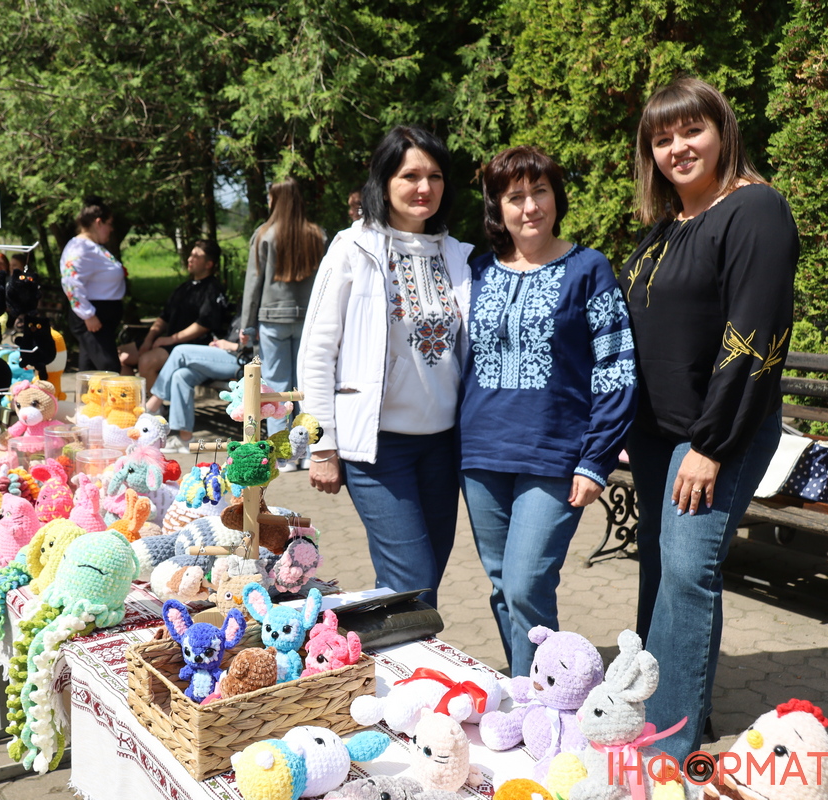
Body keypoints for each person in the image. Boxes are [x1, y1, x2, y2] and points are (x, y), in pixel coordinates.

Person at [619, 77, 798, 759]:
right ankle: (657, 707)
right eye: (662, 138)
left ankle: (664, 747)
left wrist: (711, 445)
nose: (678, 147)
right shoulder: (669, 226)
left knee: (688, 572)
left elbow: (754, 335)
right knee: (662, 572)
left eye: (691, 130)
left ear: (722, 130)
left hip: (717, 434)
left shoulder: (755, 210)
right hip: (658, 436)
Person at [458, 146, 637, 675]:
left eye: (540, 191)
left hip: (555, 454)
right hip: (481, 453)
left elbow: (617, 366)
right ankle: (526, 692)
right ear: (498, 207)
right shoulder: (477, 270)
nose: (530, 206)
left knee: (526, 583)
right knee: (500, 586)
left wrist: (596, 458)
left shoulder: (589, 268)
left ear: (557, 198)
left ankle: (549, 699)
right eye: (515, 196)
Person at [299, 126, 473, 607]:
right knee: (412, 581)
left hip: (443, 447)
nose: (424, 187)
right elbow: (317, 352)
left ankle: (385, 648)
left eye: (435, 176)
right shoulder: (353, 248)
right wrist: (322, 446)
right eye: (410, 175)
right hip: (378, 449)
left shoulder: (456, 255)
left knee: (422, 578)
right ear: (384, 180)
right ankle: (412, 654)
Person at [241, 178, 325, 437]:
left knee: (277, 389)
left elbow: (253, 283)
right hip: (309, 321)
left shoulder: (264, 234)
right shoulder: (318, 235)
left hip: (272, 320)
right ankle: (309, 447)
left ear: (275, 200)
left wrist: (247, 325)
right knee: (306, 386)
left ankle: (281, 450)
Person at [119, 239, 228, 394]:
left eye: (196, 256)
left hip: (192, 346)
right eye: (190, 255)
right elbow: (164, 318)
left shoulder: (213, 289)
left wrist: (171, 339)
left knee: (147, 361)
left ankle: (156, 406)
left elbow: (204, 325)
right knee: (120, 356)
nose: (190, 259)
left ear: (208, 264)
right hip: (169, 342)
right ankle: (131, 400)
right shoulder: (184, 288)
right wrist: (149, 339)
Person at [143, 318, 249, 453]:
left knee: (180, 352)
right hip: (226, 355)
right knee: (181, 375)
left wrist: (232, 346)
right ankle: (185, 440)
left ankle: (152, 407)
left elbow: (258, 347)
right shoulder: (243, 309)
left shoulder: (258, 310)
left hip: (241, 358)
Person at [60, 197, 127, 371]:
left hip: (101, 317)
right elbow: (70, 281)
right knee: (109, 369)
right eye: (109, 224)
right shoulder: (80, 248)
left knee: (90, 369)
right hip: (93, 317)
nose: (111, 229)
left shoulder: (92, 247)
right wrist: (87, 314)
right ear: (98, 222)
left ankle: (85, 391)